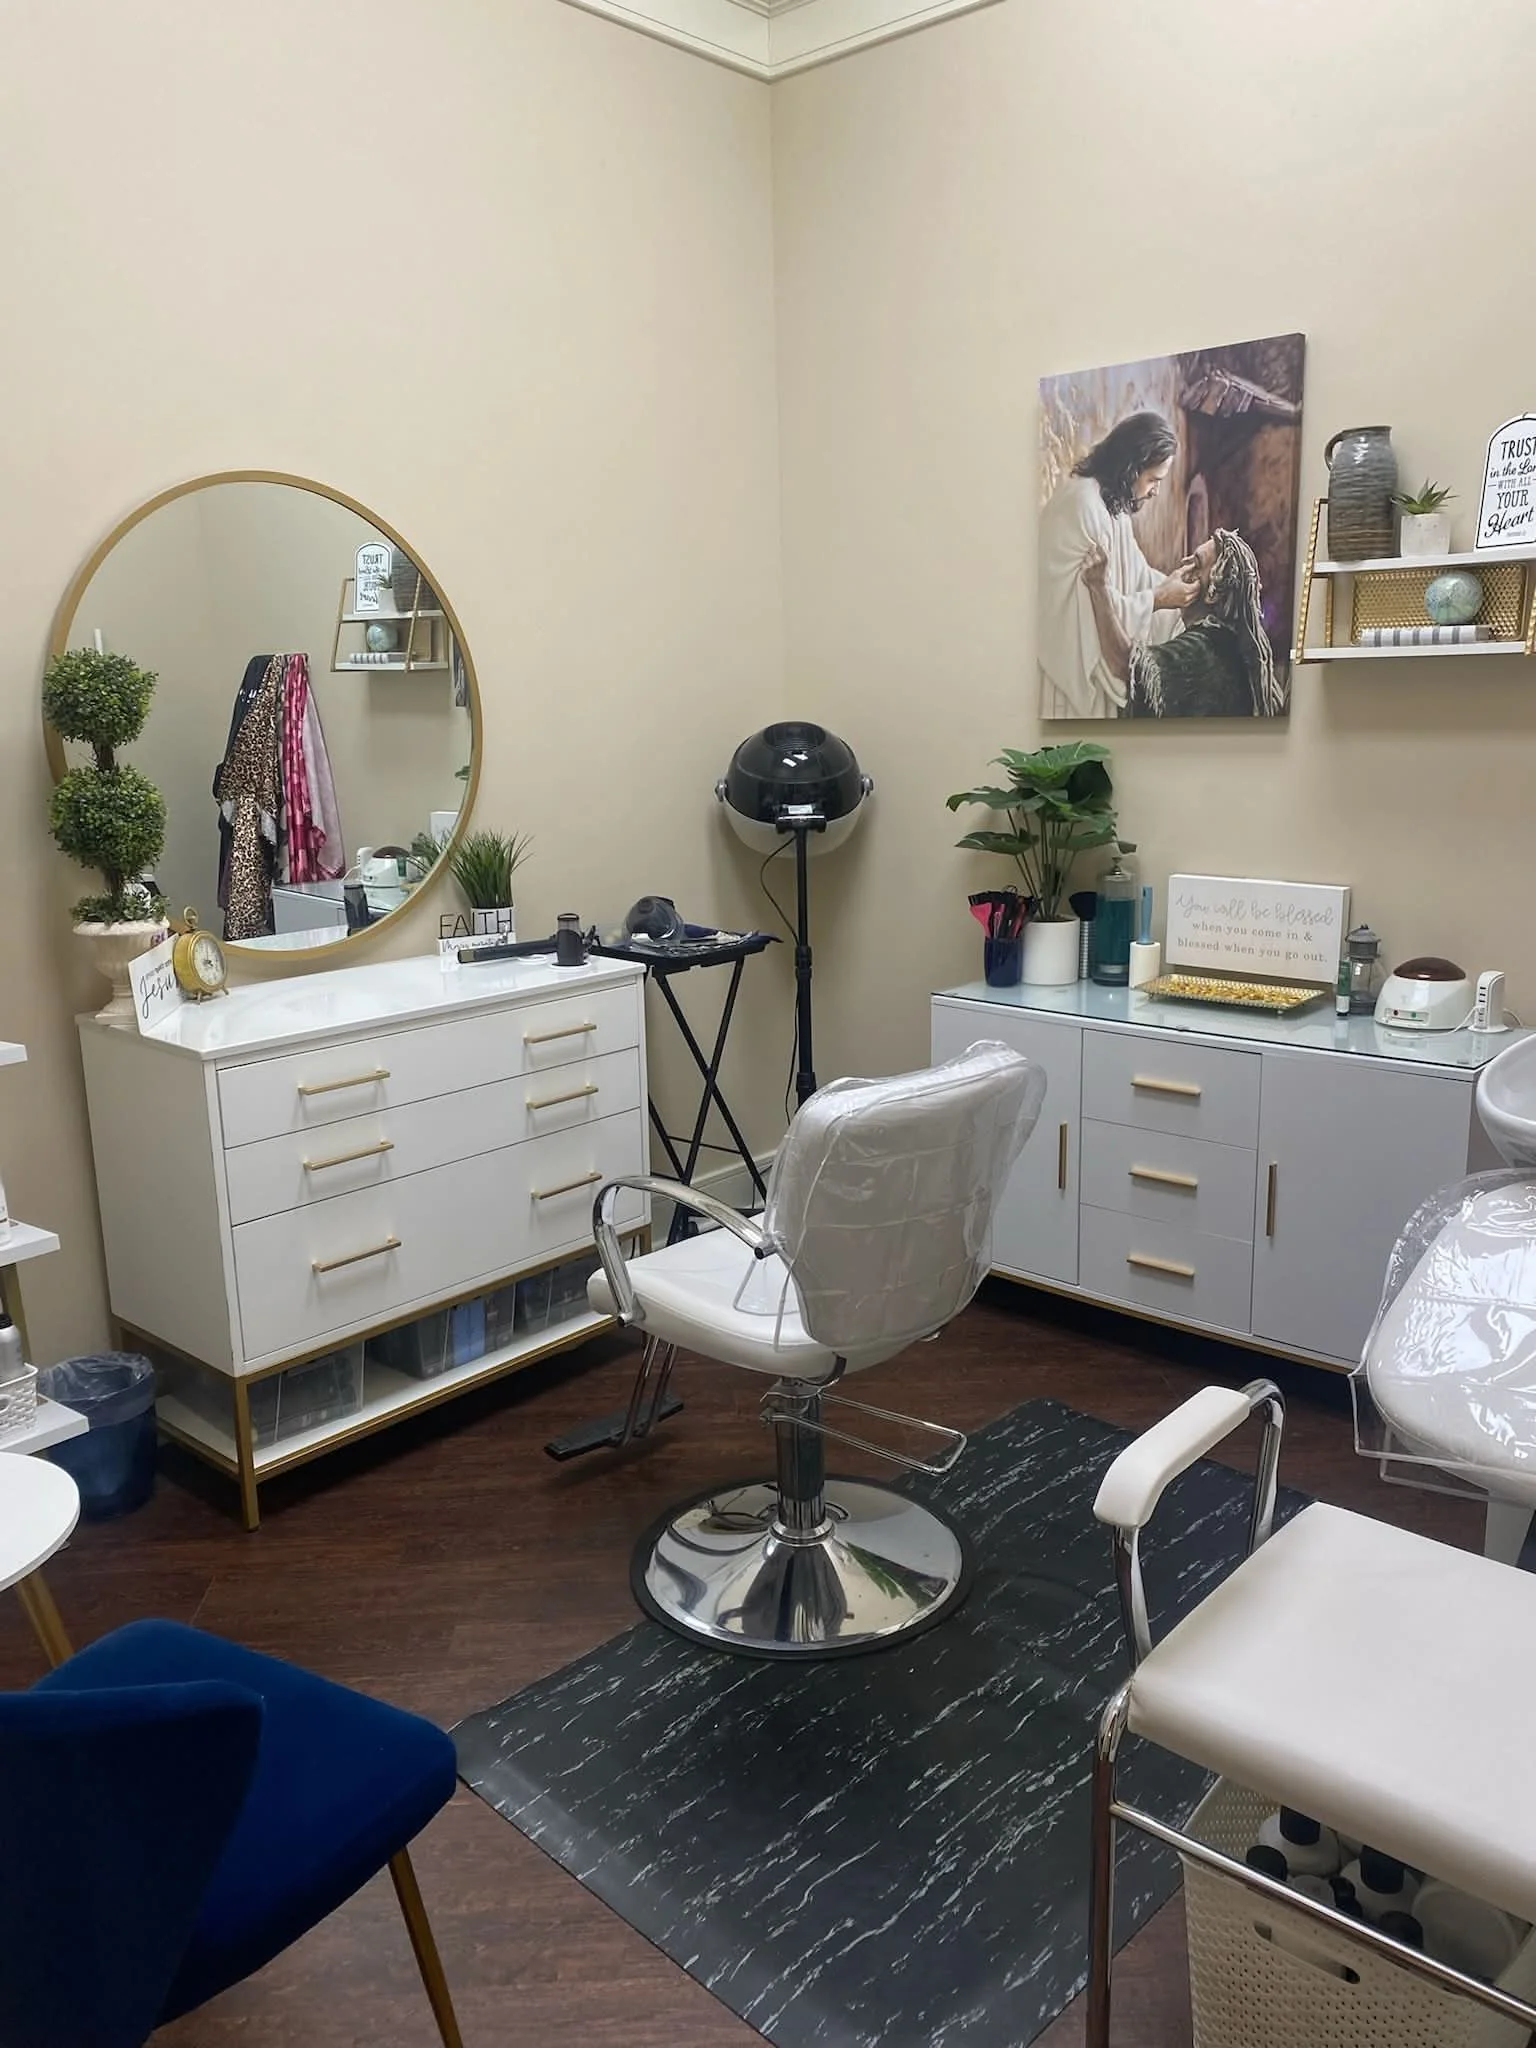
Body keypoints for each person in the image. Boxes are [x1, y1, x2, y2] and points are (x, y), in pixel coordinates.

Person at [1037, 412, 1201, 719]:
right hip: (1071, 680)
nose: (1155, 491)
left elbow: (1137, 574)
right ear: (1131, 468)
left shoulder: (1113, 508)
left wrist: (1176, 585)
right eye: (1153, 480)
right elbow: (1088, 609)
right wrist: (1158, 599)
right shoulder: (1083, 506)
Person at [1081, 527, 1284, 717]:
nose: (1183, 565)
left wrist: (1098, 586)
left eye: (1195, 563)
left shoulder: (1203, 650)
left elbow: (1126, 664)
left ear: (1212, 594)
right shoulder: (1231, 644)